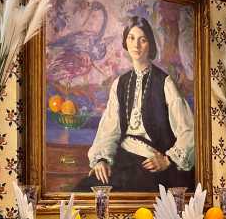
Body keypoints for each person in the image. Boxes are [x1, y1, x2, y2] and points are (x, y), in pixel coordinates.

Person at [78, 16, 194, 192]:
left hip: (150, 163)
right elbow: (109, 129)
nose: (136, 45)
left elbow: (189, 131)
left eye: (143, 40)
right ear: (125, 41)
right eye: (131, 38)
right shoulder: (120, 83)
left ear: (150, 45)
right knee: (85, 189)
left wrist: (167, 159)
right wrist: (101, 159)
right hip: (122, 159)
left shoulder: (165, 82)